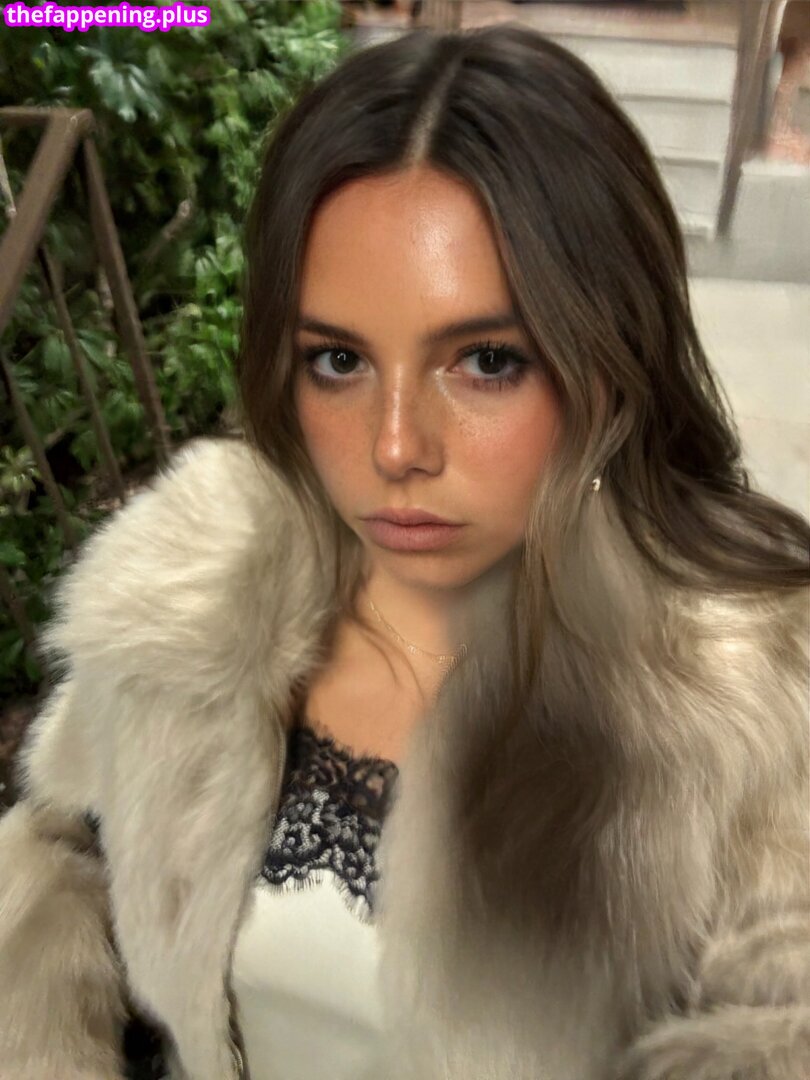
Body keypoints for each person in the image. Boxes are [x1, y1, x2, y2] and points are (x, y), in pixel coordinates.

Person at [1, 22, 809, 1080]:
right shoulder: (194, 594)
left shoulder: (748, 696)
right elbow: (58, 862)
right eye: (337, 360)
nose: (394, 447)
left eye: (486, 360)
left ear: (612, 365)